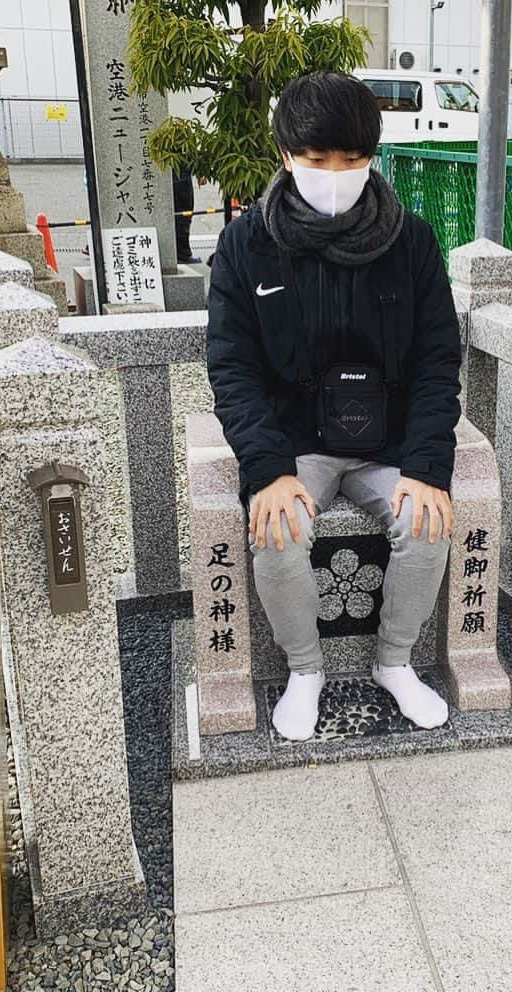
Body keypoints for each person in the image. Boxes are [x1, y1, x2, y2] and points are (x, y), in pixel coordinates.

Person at [206, 71, 462, 742]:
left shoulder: (411, 242)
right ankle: (305, 669)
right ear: (285, 155)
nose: (333, 174)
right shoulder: (245, 245)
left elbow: (439, 360)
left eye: (351, 159)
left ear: (371, 155)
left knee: (427, 519)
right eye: (316, 160)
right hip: (297, 443)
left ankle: (395, 662)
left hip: (390, 440)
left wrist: (427, 463)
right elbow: (231, 368)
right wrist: (267, 468)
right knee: (278, 526)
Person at [173, 164, 201, 264]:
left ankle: (181, 252)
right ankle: (182, 254)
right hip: (180, 177)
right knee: (183, 216)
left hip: (179, 174)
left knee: (182, 216)